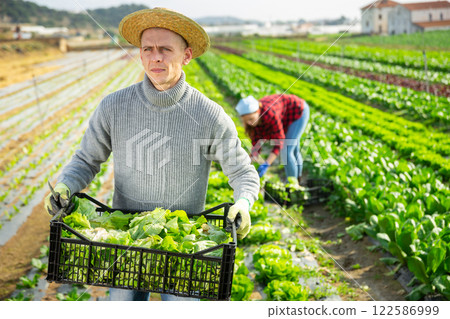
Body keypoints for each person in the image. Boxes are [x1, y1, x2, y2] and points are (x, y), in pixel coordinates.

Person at [44, 7, 259, 301]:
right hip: (125, 238)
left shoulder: (209, 115)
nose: (155, 56)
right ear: (140, 53)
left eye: (166, 49)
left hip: (183, 242)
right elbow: (86, 160)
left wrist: (244, 202)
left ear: (186, 55)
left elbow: (243, 172)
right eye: (148, 48)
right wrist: (66, 184)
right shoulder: (114, 107)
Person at [235, 94, 310, 184]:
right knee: (293, 150)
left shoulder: (270, 114)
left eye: (251, 119)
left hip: (297, 111)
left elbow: (279, 143)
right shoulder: (254, 120)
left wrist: (267, 163)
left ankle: (292, 185)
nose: (250, 123)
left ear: (258, 111)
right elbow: (256, 140)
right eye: (246, 121)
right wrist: (250, 159)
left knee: (286, 151)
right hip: (284, 116)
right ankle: (297, 180)